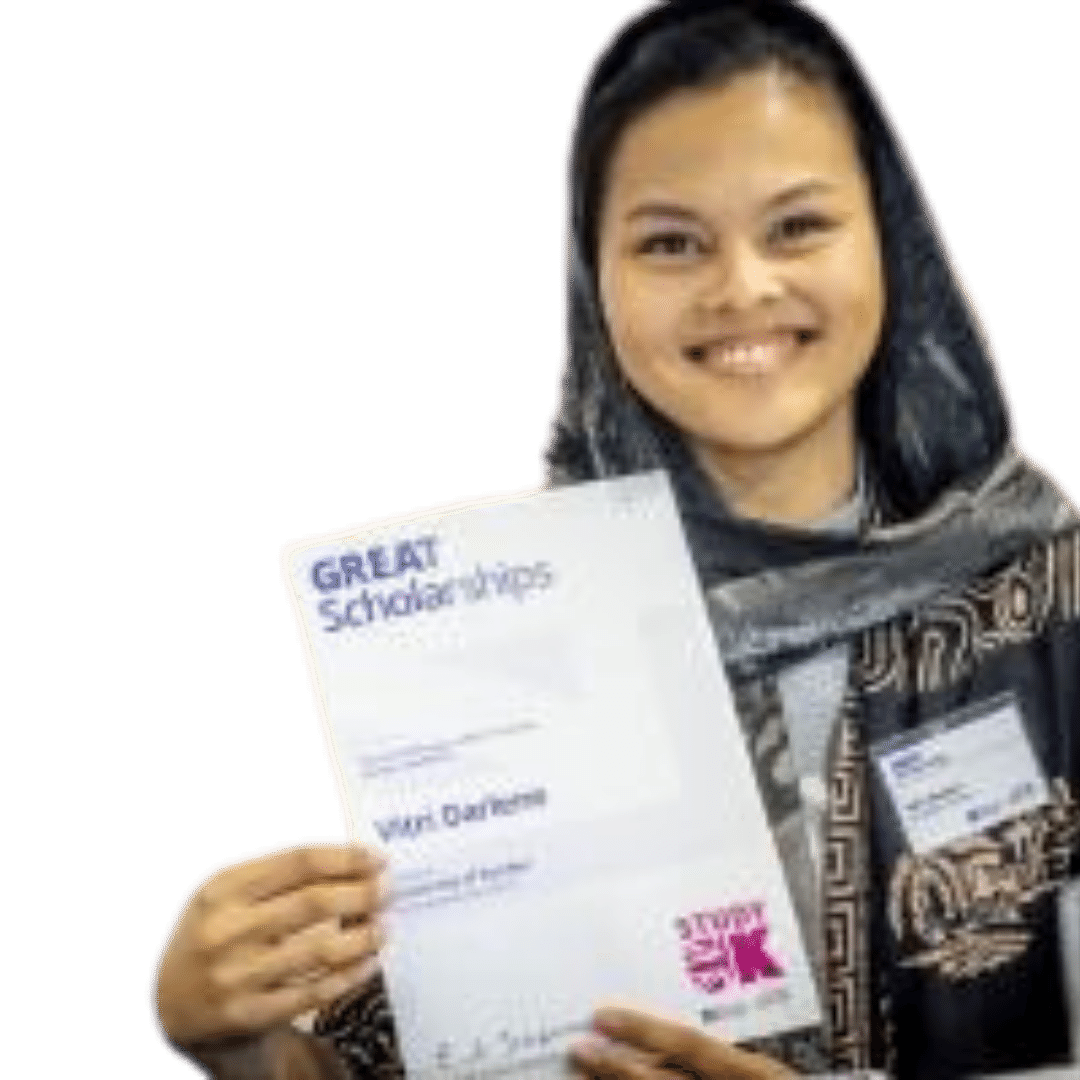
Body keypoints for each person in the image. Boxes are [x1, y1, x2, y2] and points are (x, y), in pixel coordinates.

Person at [149, 1, 1080, 1077]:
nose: (743, 287)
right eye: (671, 242)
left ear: (890, 238)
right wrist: (237, 1039)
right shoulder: (506, 622)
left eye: (797, 226)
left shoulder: (1055, 607)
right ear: (595, 280)